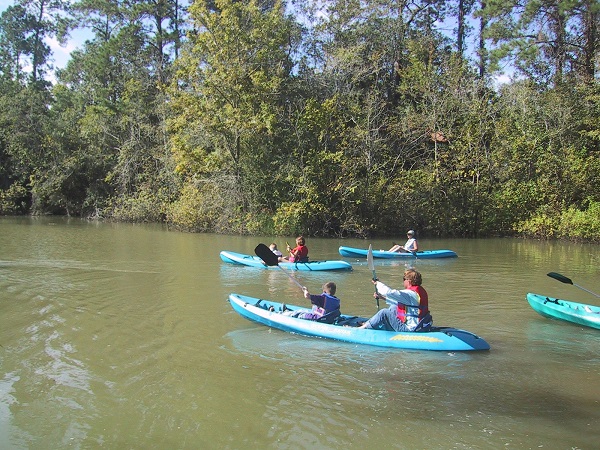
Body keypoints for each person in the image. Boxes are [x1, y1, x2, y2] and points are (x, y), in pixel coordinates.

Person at [358, 269, 432, 332]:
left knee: (384, 312)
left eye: (404, 279)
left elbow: (389, 292)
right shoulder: (418, 292)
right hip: (420, 326)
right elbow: (401, 303)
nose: (403, 282)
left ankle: (362, 329)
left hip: (410, 329)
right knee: (393, 307)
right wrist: (382, 297)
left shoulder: (409, 293)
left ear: (409, 281)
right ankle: (368, 323)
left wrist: (377, 283)